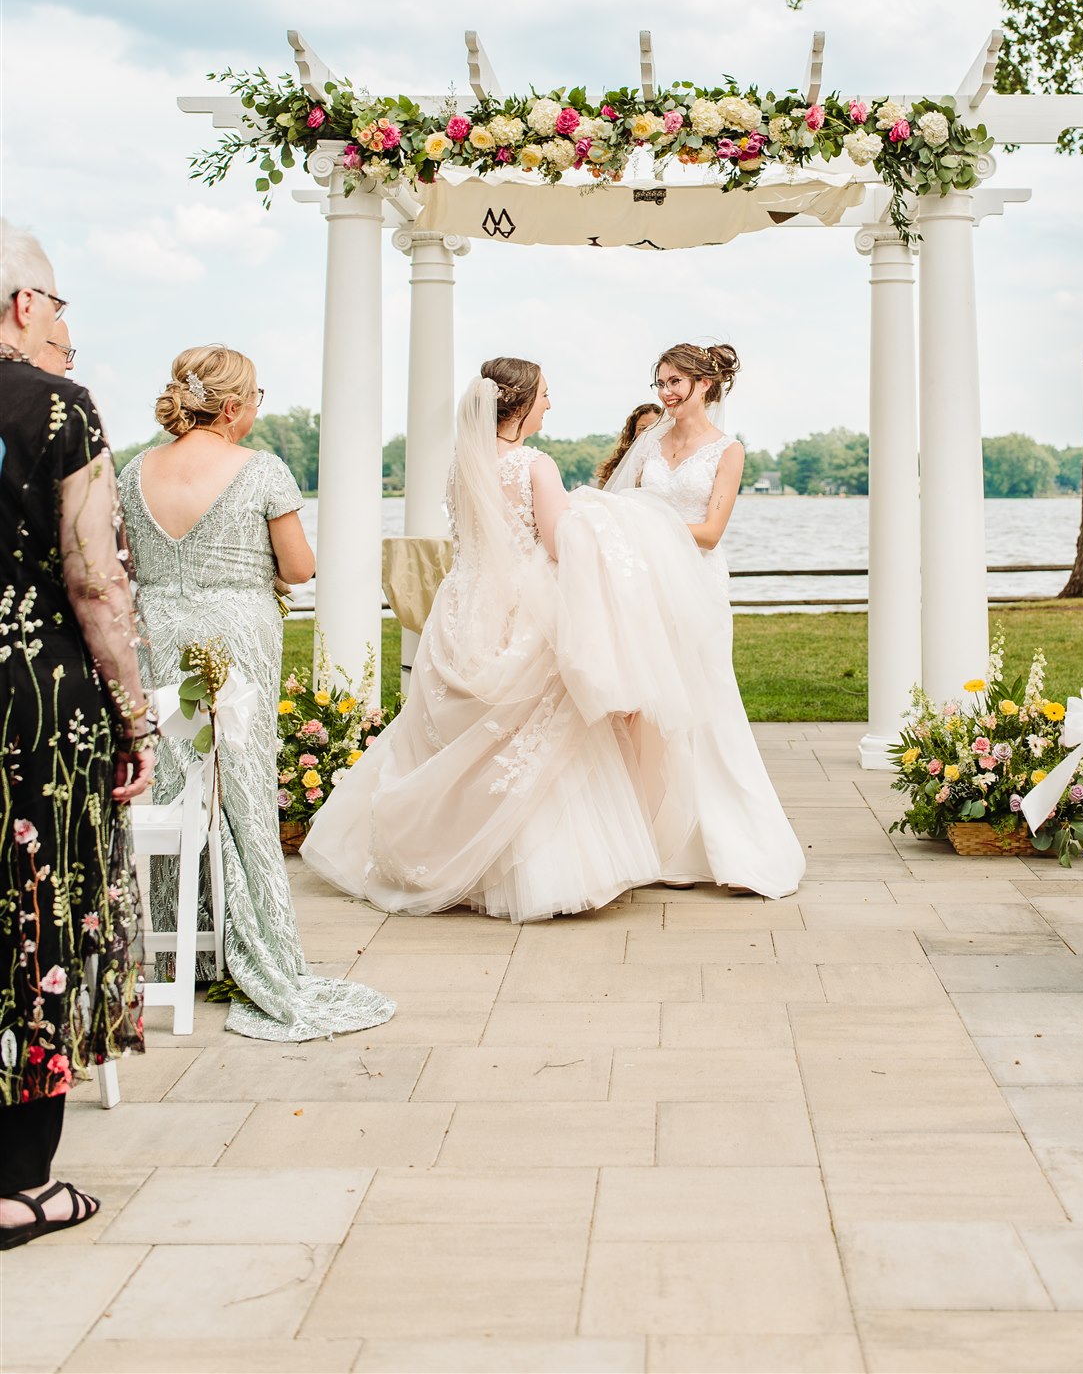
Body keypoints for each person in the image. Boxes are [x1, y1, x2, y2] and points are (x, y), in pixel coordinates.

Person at [303, 358, 674, 921]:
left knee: (461, 734)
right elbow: (556, 542)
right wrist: (606, 525)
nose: (551, 403)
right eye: (547, 394)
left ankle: (464, 863)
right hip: (524, 608)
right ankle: (538, 873)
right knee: (542, 732)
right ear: (521, 403)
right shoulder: (534, 464)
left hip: (461, 606)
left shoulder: (462, 463)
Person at [120, 346, 392, 1040]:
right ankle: (258, 946)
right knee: (239, 783)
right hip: (235, 639)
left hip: (160, 633)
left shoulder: (135, 470)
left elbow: (126, 559)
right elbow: (299, 567)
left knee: (184, 782)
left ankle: (188, 947)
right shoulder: (261, 469)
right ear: (235, 405)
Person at [0, 222, 153, 1247]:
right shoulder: (55, 404)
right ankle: (19, 1184)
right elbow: (94, 580)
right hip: (30, 701)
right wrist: (136, 715)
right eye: (59, 305)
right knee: (36, 916)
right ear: (20, 304)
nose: (64, 325)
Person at [608, 342, 805, 898]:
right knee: (651, 708)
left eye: (677, 383)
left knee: (705, 700)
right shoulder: (648, 443)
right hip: (648, 585)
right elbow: (617, 509)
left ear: (705, 385)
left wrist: (645, 523)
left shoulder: (728, 450)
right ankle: (658, 843)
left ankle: (734, 844)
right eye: (661, 383)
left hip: (697, 584)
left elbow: (712, 531)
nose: (667, 393)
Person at [595, 402, 661, 488]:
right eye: (642, 428)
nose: (648, 433)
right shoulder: (617, 466)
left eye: (654, 427)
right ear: (633, 432)